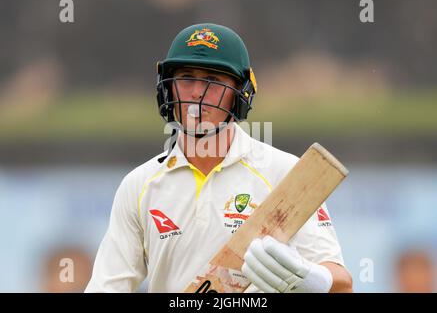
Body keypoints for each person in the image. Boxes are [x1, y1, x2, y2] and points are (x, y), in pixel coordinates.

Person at [85, 23, 353, 293]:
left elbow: (342, 284)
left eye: (213, 81)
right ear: (169, 88)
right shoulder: (139, 185)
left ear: (240, 94)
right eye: (187, 77)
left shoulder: (284, 172)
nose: (197, 92)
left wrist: (310, 279)